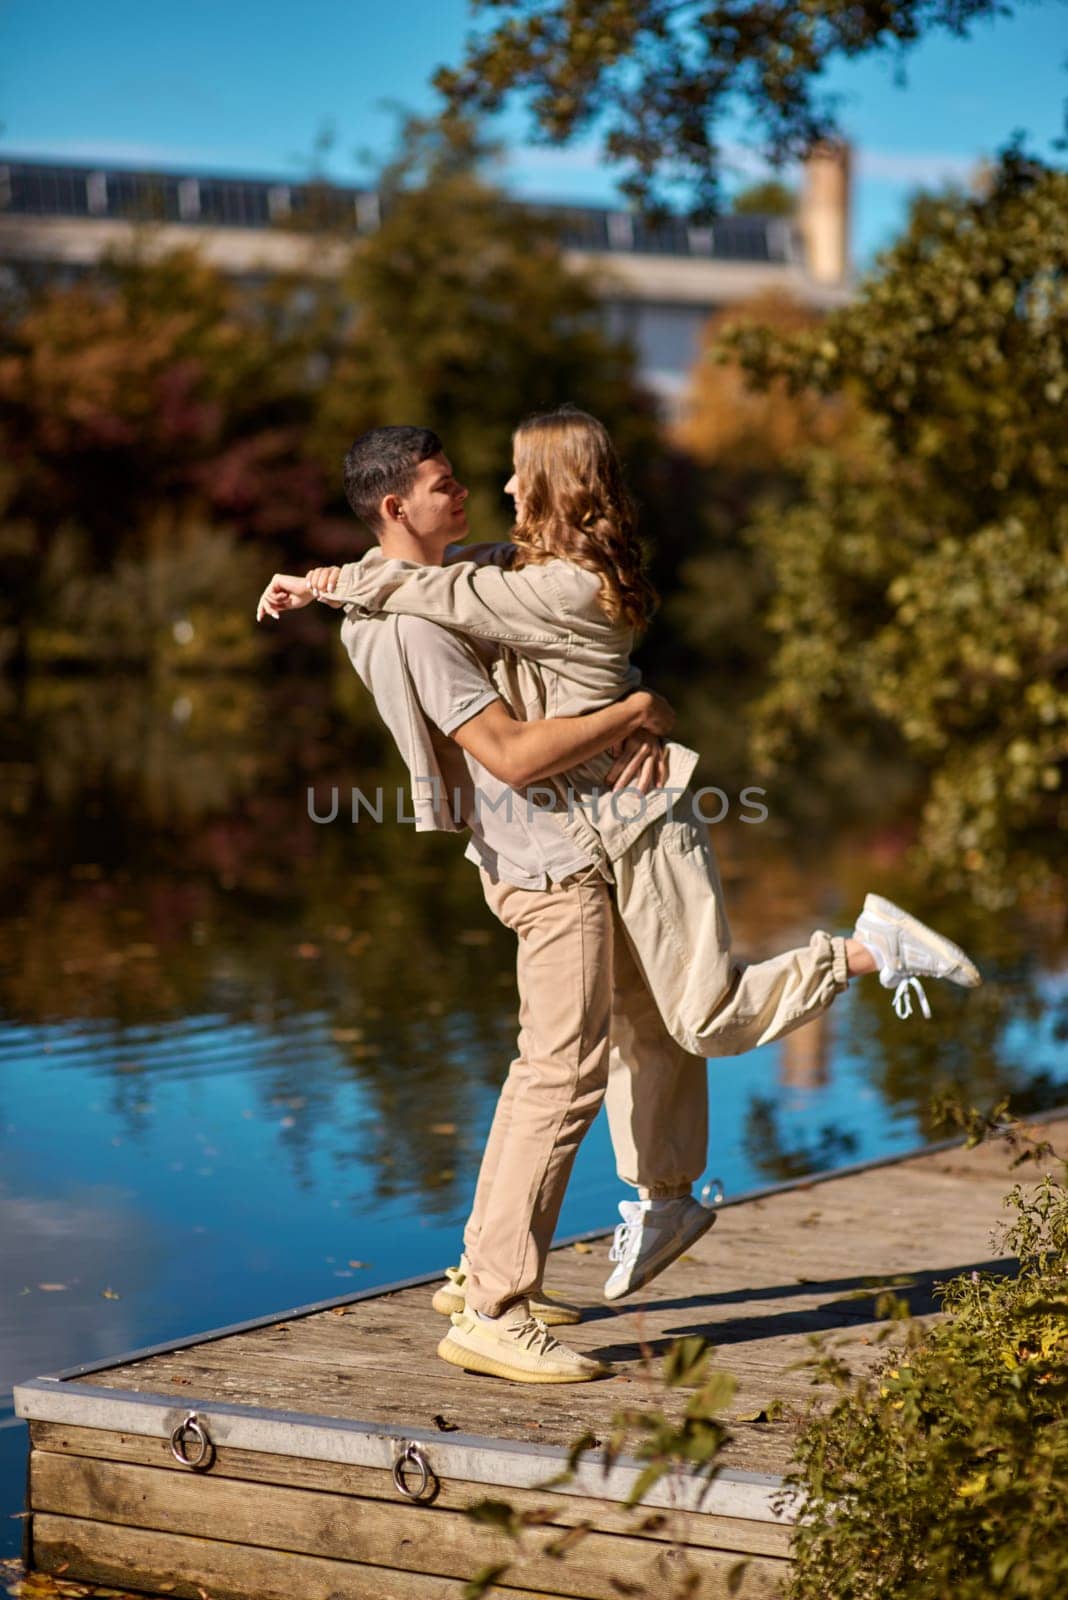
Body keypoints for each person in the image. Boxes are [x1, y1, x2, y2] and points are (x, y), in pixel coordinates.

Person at [259, 426, 717, 1385]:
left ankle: (485, 1268)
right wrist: (636, 711)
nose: (465, 493)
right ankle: (496, 1312)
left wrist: (315, 577)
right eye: (442, 486)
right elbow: (506, 753)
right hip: (544, 861)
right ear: (396, 508)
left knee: (566, 1058)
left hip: (553, 846)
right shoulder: (413, 627)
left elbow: (467, 571)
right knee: (562, 1078)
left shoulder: (432, 581)